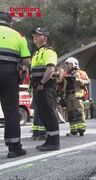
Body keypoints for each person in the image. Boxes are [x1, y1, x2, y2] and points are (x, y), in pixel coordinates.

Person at [0, 11, 30, 158]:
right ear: (10, 23)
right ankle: (14, 148)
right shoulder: (18, 36)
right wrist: (22, 73)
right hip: (9, 74)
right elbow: (26, 61)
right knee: (11, 111)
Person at [30, 27, 60, 151]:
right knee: (43, 114)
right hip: (38, 87)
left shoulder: (49, 51)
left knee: (48, 113)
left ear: (45, 37)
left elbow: (50, 69)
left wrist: (42, 83)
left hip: (45, 86)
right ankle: (49, 140)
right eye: (34, 35)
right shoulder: (36, 53)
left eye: (38, 35)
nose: (35, 37)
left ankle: (54, 142)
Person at [64, 57, 90, 136]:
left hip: (77, 95)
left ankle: (81, 129)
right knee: (70, 114)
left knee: (78, 112)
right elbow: (63, 84)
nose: (68, 66)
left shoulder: (81, 73)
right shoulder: (66, 74)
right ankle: (73, 130)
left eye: (70, 64)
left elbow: (88, 81)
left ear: (74, 64)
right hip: (68, 96)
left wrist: (80, 80)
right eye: (67, 64)